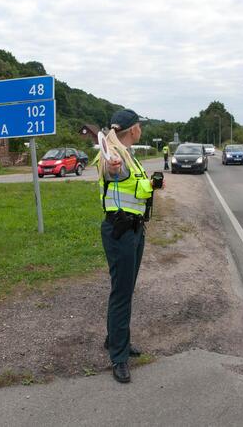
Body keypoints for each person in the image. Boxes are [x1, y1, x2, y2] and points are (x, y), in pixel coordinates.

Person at [97, 108, 164, 384]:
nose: (141, 130)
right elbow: (110, 171)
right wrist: (110, 168)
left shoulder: (129, 155)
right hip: (121, 231)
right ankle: (119, 357)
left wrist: (150, 185)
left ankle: (116, 338)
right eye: (140, 126)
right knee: (122, 293)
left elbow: (132, 187)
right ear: (134, 129)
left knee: (125, 289)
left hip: (134, 229)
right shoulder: (115, 157)